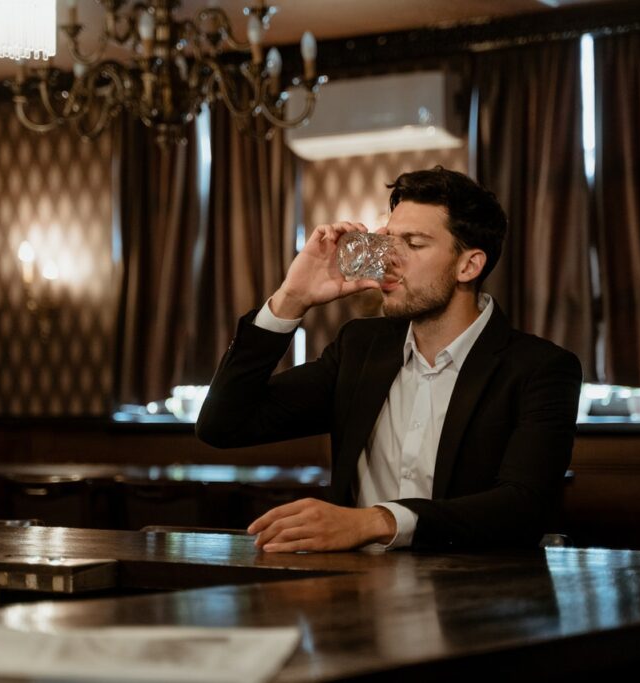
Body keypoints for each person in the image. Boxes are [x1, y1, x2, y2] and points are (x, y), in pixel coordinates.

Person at [196, 167, 581, 553]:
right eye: (387, 240)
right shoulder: (360, 348)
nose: (388, 261)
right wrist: (291, 298)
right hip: (354, 595)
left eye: (413, 244)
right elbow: (223, 425)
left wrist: (375, 521)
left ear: (469, 265)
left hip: (470, 598)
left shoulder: (541, 369)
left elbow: (523, 508)